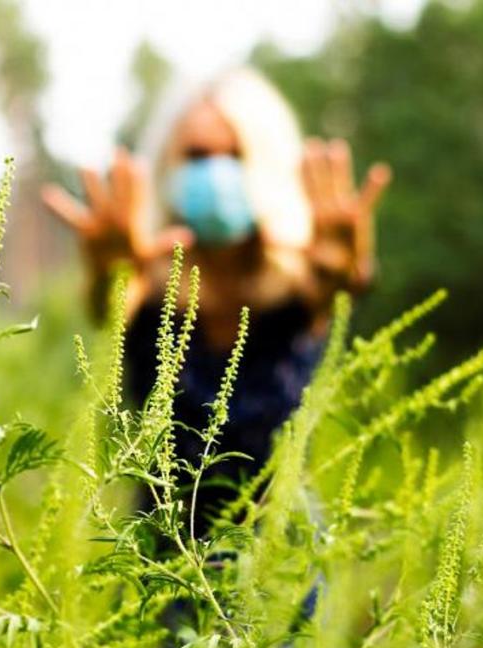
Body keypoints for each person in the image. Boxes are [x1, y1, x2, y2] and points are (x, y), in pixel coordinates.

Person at [42, 67, 392, 519]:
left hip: (277, 560)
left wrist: (345, 271)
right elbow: (108, 307)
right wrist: (109, 278)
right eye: (198, 154)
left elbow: (340, 286)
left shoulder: (300, 286)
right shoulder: (148, 282)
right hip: (164, 557)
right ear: (169, 163)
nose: (216, 171)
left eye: (235, 155)